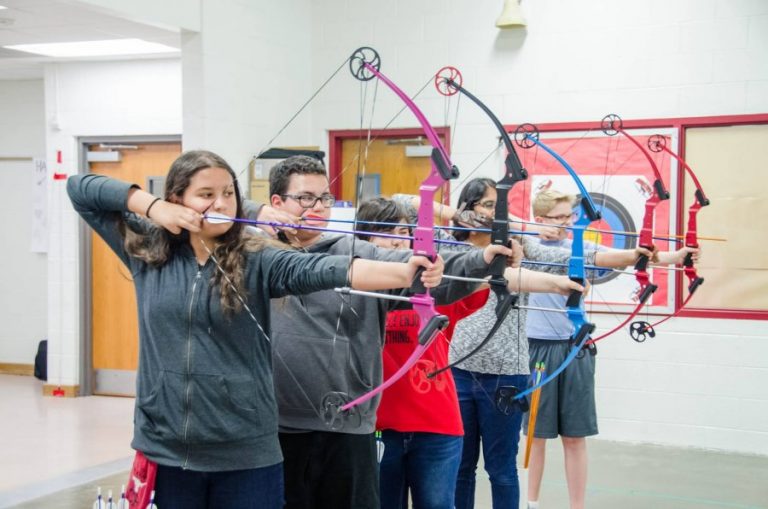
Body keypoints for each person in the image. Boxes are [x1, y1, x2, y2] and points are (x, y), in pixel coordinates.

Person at [66, 150, 445, 509]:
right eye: (206, 194)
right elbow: (80, 189)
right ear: (177, 199)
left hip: (246, 452)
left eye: (228, 193)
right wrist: (152, 207)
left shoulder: (257, 256)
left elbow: (322, 269)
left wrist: (406, 271)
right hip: (168, 450)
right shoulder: (148, 251)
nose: (220, 203)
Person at [247, 156, 518, 509]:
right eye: (305, 198)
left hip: (348, 426)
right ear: (277, 203)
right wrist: (254, 213)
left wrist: (483, 259)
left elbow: (424, 272)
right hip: (275, 427)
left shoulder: (358, 253)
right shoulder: (251, 256)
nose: (318, 207)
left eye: (325, 198)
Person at [395, 177, 659, 509]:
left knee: (502, 470)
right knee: (461, 468)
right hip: (458, 370)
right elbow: (401, 202)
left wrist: (635, 255)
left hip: (507, 374)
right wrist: (457, 215)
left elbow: (581, 257)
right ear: (469, 206)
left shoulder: (517, 245)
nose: (494, 212)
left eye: (499, 206)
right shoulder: (449, 244)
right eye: (487, 205)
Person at [355, 197, 585, 509]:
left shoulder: (433, 284)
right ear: (362, 241)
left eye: (402, 232)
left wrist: (559, 284)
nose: (396, 241)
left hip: (436, 424)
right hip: (378, 425)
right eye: (384, 233)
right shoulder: (352, 292)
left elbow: (493, 279)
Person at [523, 189, 700, 509]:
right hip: (537, 350)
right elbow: (497, 232)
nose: (568, 223)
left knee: (574, 437)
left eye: (570, 217)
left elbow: (629, 256)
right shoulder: (524, 246)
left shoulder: (578, 246)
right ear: (540, 219)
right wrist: (528, 229)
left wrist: (678, 257)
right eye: (559, 218)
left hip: (575, 348)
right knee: (536, 436)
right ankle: (531, 504)